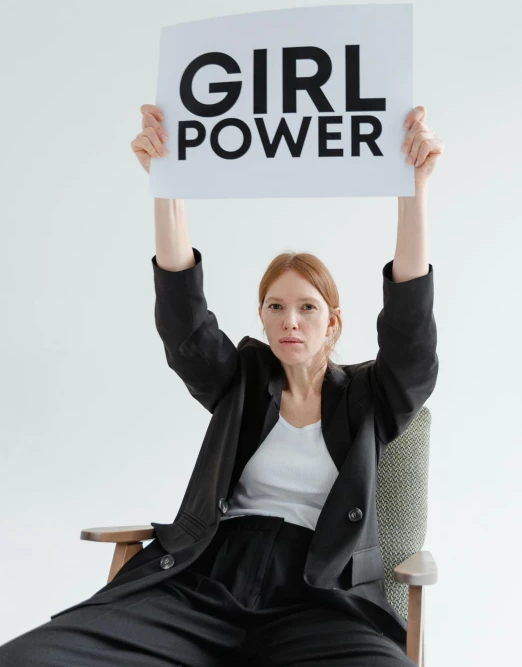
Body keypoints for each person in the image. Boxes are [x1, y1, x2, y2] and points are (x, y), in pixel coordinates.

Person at [0, 103, 443, 665]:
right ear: (261, 317)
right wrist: (166, 184)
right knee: (33, 657)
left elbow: (411, 342)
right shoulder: (241, 381)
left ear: (332, 322)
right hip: (204, 576)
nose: (290, 320)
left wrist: (414, 190)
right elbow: (185, 323)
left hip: (320, 595)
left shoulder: (369, 398)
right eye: (276, 306)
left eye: (308, 308)